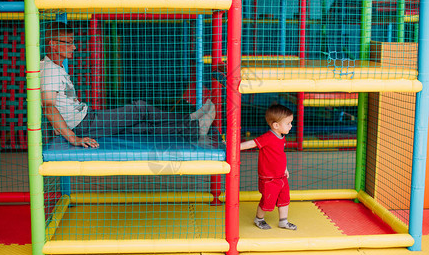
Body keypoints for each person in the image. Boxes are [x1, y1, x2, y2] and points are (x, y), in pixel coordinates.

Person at [41, 22, 215, 148]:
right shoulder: (50, 71)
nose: (75, 47)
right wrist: (73, 139)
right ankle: (191, 119)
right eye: (69, 42)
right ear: (53, 44)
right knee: (140, 109)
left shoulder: (54, 66)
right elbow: (48, 108)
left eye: (73, 42)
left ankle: (196, 127)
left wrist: (61, 128)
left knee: (141, 127)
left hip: (85, 118)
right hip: (82, 125)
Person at [240, 104, 297, 230]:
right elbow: (252, 143)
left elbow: (280, 155)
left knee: (284, 198)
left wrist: (285, 168)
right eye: (288, 123)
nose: (291, 126)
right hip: (269, 178)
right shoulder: (268, 137)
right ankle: (259, 219)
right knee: (267, 200)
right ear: (276, 125)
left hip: (281, 176)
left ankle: (283, 221)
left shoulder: (282, 137)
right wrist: (235, 147)